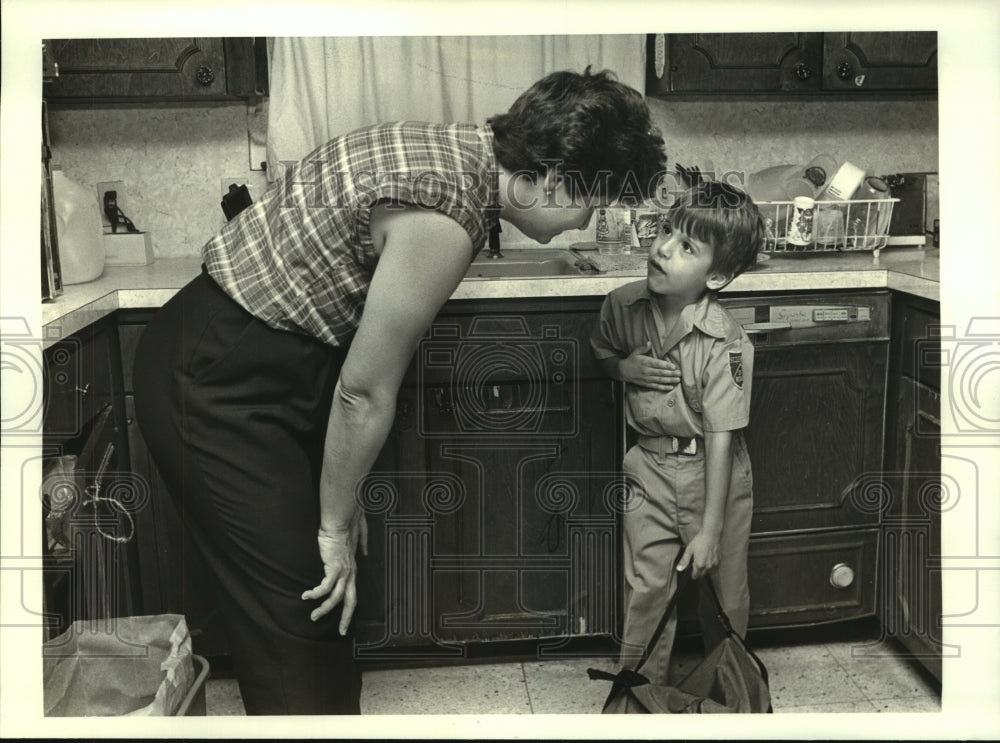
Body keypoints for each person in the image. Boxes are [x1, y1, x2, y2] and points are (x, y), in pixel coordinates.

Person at [132, 67, 666, 715]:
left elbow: (342, 343)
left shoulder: (454, 149)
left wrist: (340, 487)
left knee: (320, 612)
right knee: (303, 614)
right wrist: (330, 523)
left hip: (257, 362)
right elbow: (362, 391)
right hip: (216, 381)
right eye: (595, 203)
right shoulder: (445, 214)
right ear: (552, 179)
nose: (587, 221)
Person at [590, 180, 765, 687]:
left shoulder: (725, 343)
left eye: (687, 246)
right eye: (667, 231)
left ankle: (732, 696)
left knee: (724, 596)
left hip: (714, 477)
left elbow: (721, 437)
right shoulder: (622, 307)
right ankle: (636, 696)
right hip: (645, 467)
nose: (664, 247)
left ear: (719, 276)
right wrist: (624, 369)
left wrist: (709, 530)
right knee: (646, 589)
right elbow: (601, 351)